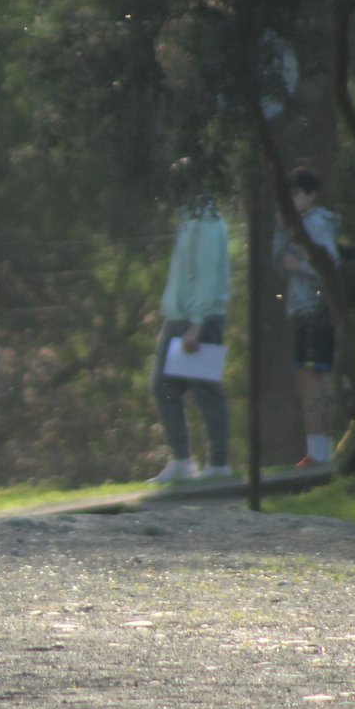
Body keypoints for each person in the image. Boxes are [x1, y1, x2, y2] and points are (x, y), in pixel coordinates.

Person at [149, 159, 231, 483]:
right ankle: (182, 459)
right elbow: (182, 276)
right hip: (179, 315)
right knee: (163, 385)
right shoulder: (189, 220)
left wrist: (197, 324)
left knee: (204, 389)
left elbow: (207, 276)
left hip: (202, 316)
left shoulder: (208, 222)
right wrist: (171, 318)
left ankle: (219, 463)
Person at [274, 166, 341, 468]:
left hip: (316, 311)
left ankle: (321, 454)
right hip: (301, 310)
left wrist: (297, 263)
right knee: (307, 380)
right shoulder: (297, 225)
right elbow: (278, 264)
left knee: (317, 380)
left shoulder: (317, 224)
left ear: (311, 195)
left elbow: (328, 266)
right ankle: (316, 451)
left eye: (297, 193)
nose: (292, 199)